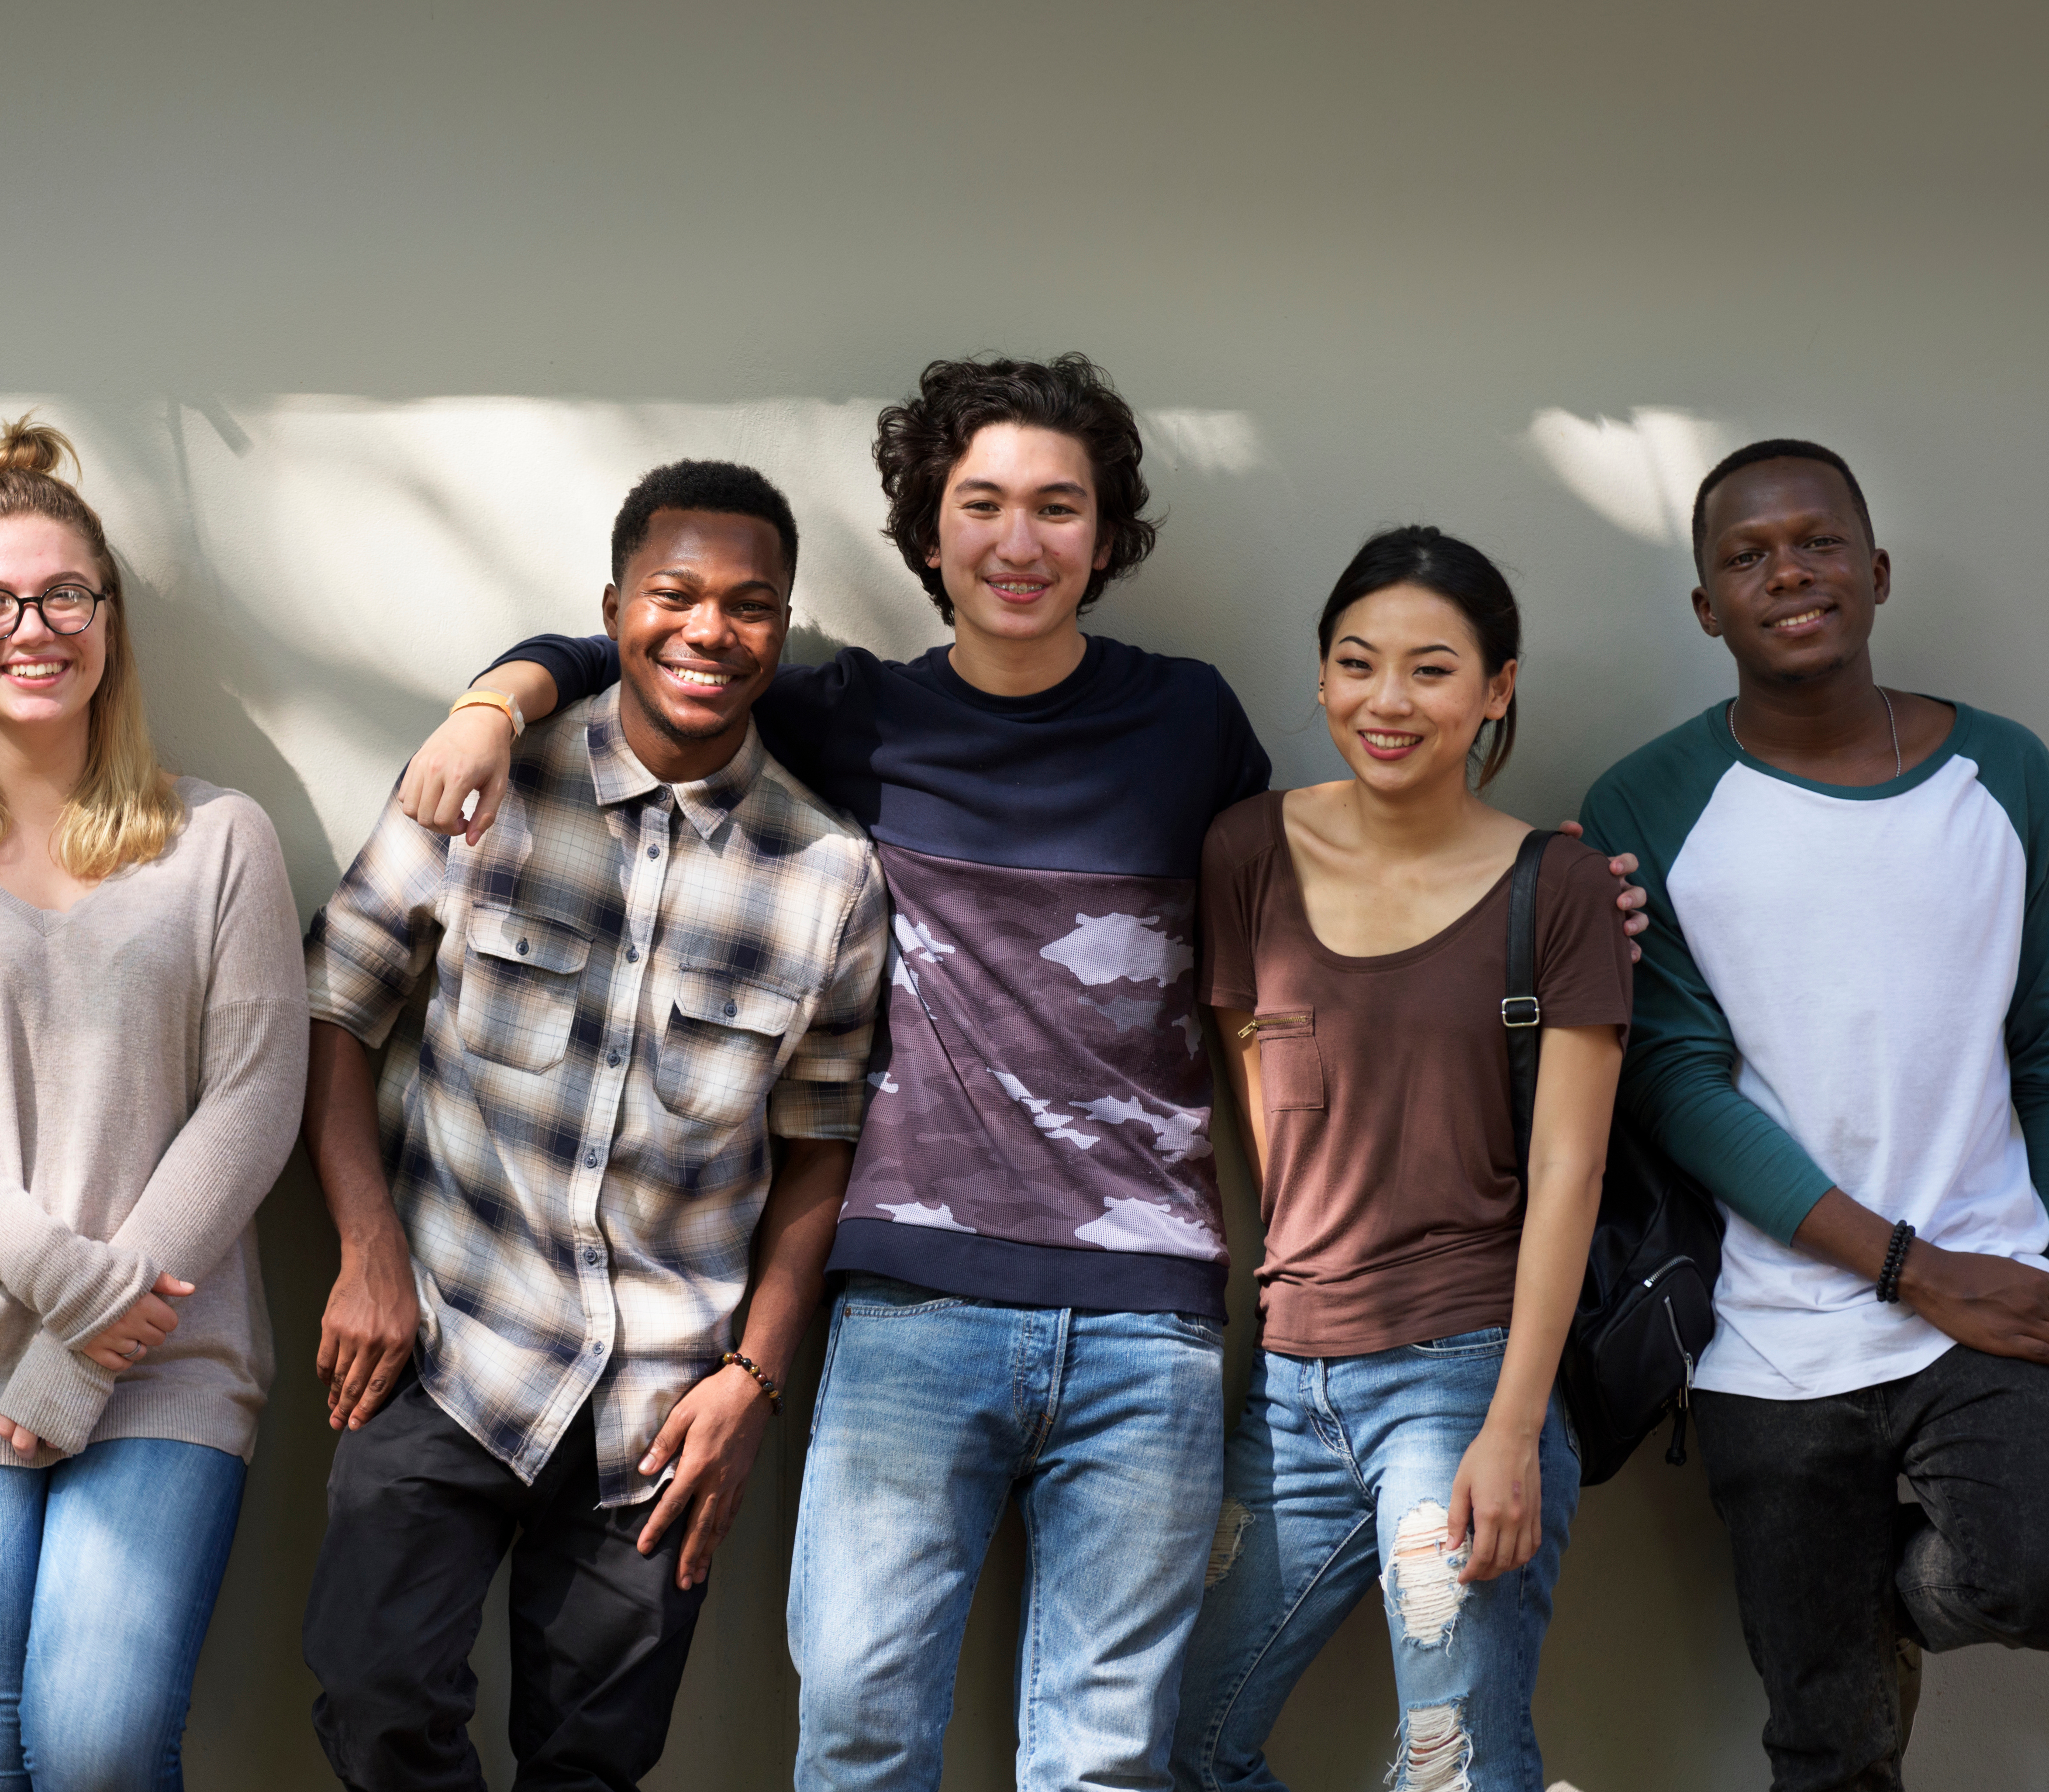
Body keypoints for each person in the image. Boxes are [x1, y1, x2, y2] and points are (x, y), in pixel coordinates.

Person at [391, 355, 1651, 1790]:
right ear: (928, 533)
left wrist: (1553, 898)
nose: (1017, 540)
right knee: (859, 1726)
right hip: (910, 1310)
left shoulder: (1188, 724)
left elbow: (1351, 873)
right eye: (980, 504)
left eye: (1058, 507)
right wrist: (498, 697)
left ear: (1107, 539)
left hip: (1150, 1327)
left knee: (1105, 1759)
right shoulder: (853, 717)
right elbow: (669, 649)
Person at [299, 460, 887, 1791]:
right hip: (447, 1345)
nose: (708, 631)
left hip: (664, 1407)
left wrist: (756, 1379)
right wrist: (365, 1247)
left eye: (750, 606)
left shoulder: (830, 876)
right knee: (374, 1702)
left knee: (595, 1767)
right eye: (674, 594)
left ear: (782, 631)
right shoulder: (479, 785)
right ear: (613, 604)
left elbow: (820, 1146)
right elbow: (335, 1010)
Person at [0, 419, 307, 1792]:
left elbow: (258, 1097)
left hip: (164, 1360)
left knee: (96, 1751)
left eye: (63, 595)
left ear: (109, 619)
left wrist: (91, 1345)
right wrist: (61, 1291)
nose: (32, 628)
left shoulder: (220, 837)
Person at [1581, 441, 2049, 1792]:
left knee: (2027, 1569)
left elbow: (2047, 1044)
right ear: (1705, 608)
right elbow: (1674, 1081)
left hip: (1997, 1286)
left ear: (1877, 571)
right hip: (1773, 1342)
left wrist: (1992, 1270)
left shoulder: (2007, 775)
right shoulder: (1650, 800)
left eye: (1818, 542)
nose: (1787, 571)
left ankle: (1881, 1619)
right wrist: (1908, 1268)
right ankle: (1844, 1655)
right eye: (1745, 555)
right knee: (1829, 1745)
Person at [1176, 527, 1627, 1792]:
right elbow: (1264, 1113)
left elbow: (1571, 1180)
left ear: (1497, 691)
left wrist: (1513, 1428)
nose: (1388, 700)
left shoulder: (1563, 885)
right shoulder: (1246, 854)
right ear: (1319, 678)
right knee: (1179, 1747)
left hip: (1466, 1375)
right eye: (1357, 663)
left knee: (1452, 1761)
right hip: (1289, 1383)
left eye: (1432, 670)